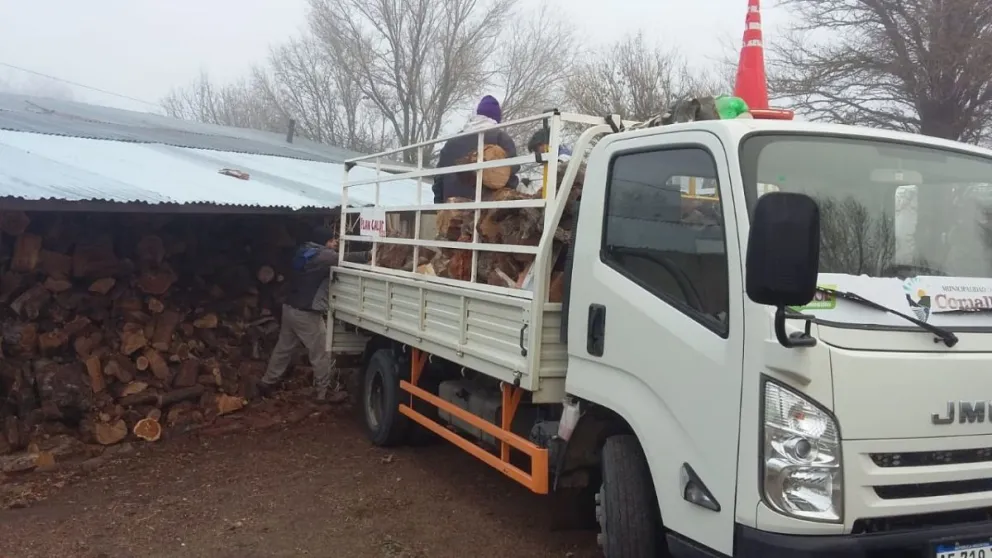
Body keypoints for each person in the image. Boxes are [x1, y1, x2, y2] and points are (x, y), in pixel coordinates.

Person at [257, 226, 369, 403]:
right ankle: (324, 392)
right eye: (333, 240)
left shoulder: (304, 250)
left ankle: (267, 382)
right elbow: (345, 259)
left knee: (283, 348)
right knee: (321, 351)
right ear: (325, 241)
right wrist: (369, 255)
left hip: (290, 308)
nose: (335, 243)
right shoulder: (323, 256)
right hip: (305, 313)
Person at [432, 95, 520, 203]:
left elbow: (439, 179)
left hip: (452, 208)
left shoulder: (452, 142)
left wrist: (439, 205)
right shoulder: (501, 139)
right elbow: (510, 175)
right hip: (486, 211)